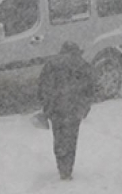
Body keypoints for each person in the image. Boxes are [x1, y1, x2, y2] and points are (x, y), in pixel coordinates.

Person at [38, 41, 97, 180]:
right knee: (71, 139)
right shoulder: (83, 65)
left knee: (59, 138)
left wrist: (46, 106)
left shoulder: (51, 64)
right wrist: (84, 106)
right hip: (74, 109)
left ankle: (61, 166)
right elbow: (91, 89)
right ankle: (68, 169)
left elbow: (43, 87)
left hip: (56, 109)